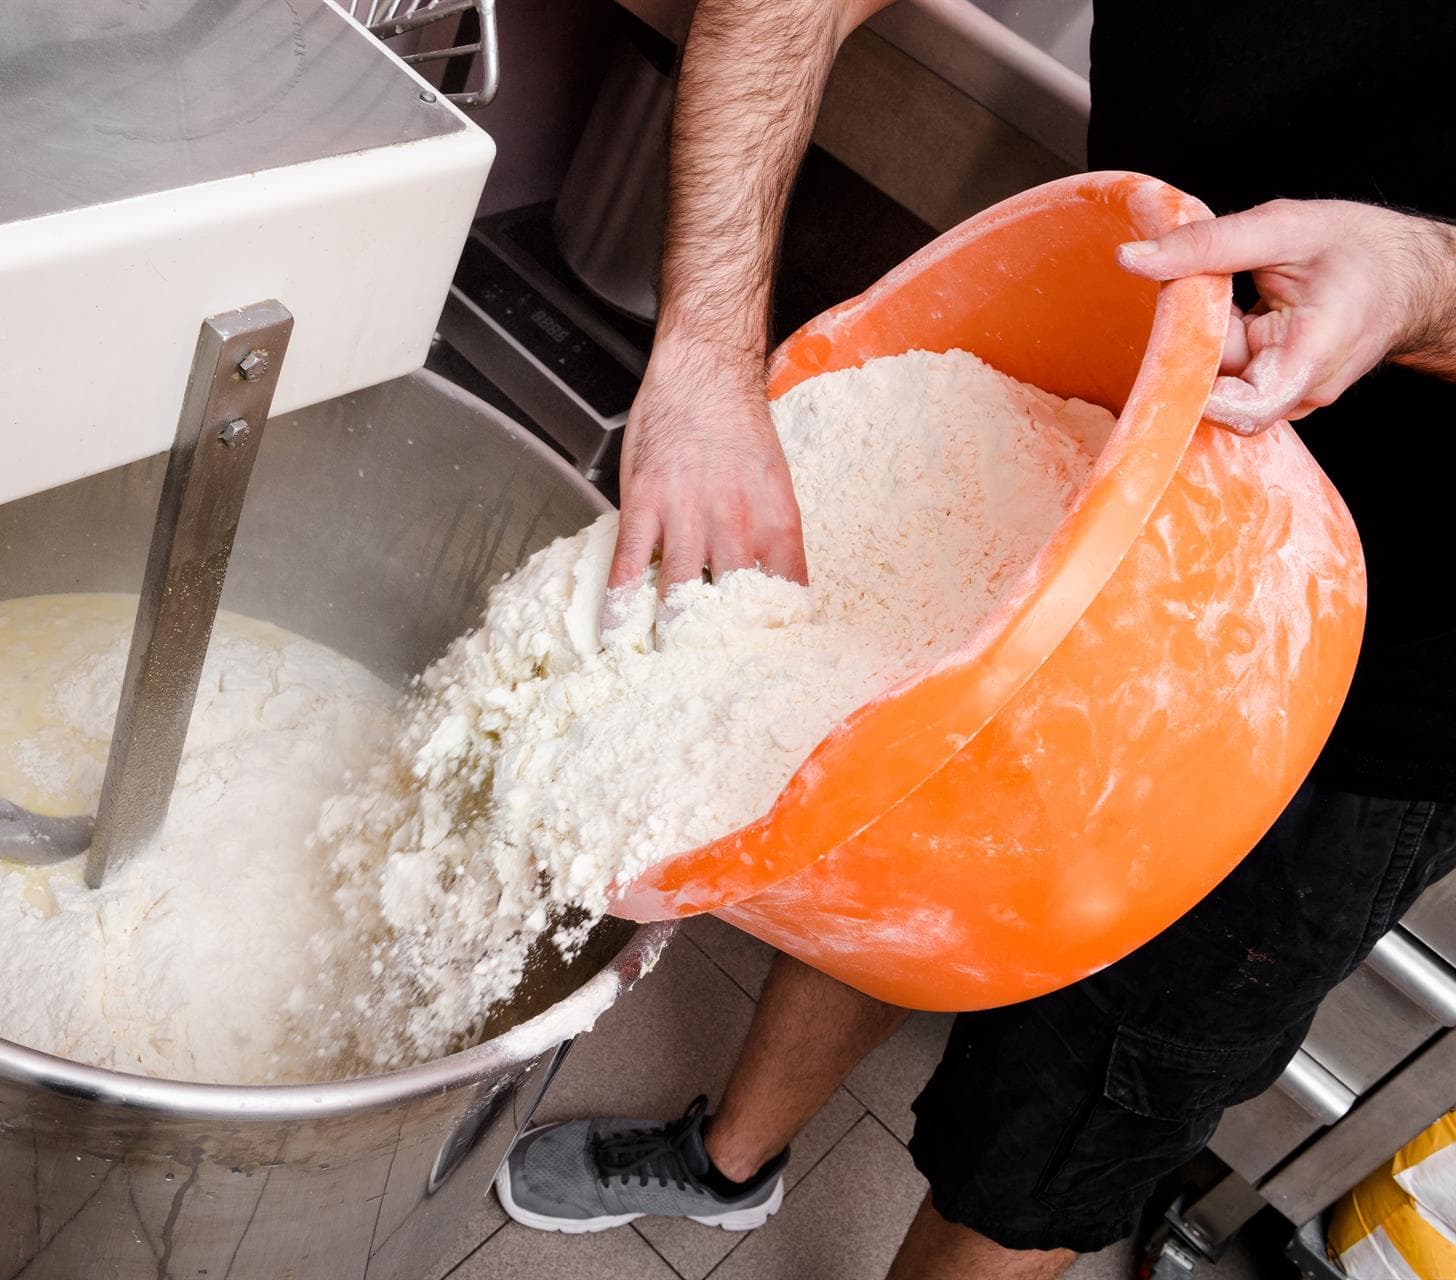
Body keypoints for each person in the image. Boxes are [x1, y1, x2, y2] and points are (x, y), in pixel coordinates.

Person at [495, 2, 1456, 1275]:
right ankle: (730, 1160)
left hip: (1366, 664)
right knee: (894, 827)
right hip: (1083, 448)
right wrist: (706, 360)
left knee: (1058, 1118)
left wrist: (1428, 286)